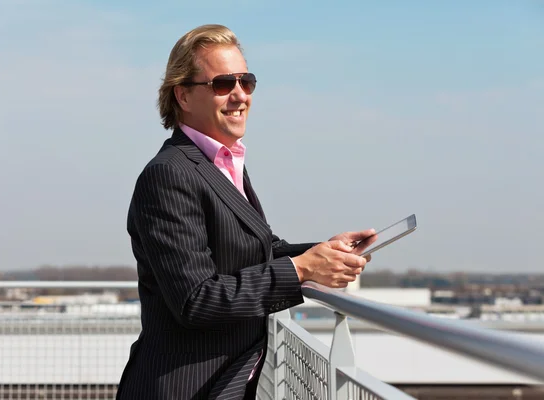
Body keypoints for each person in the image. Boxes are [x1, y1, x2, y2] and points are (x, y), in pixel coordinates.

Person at [115, 24, 377, 400]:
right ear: (183, 95)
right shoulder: (168, 174)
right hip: (184, 389)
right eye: (223, 84)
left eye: (247, 81)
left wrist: (325, 250)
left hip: (227, 382)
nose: (240, 95)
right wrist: (302, 269)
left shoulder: (225, 162)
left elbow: (259, 248)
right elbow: (196, 299)